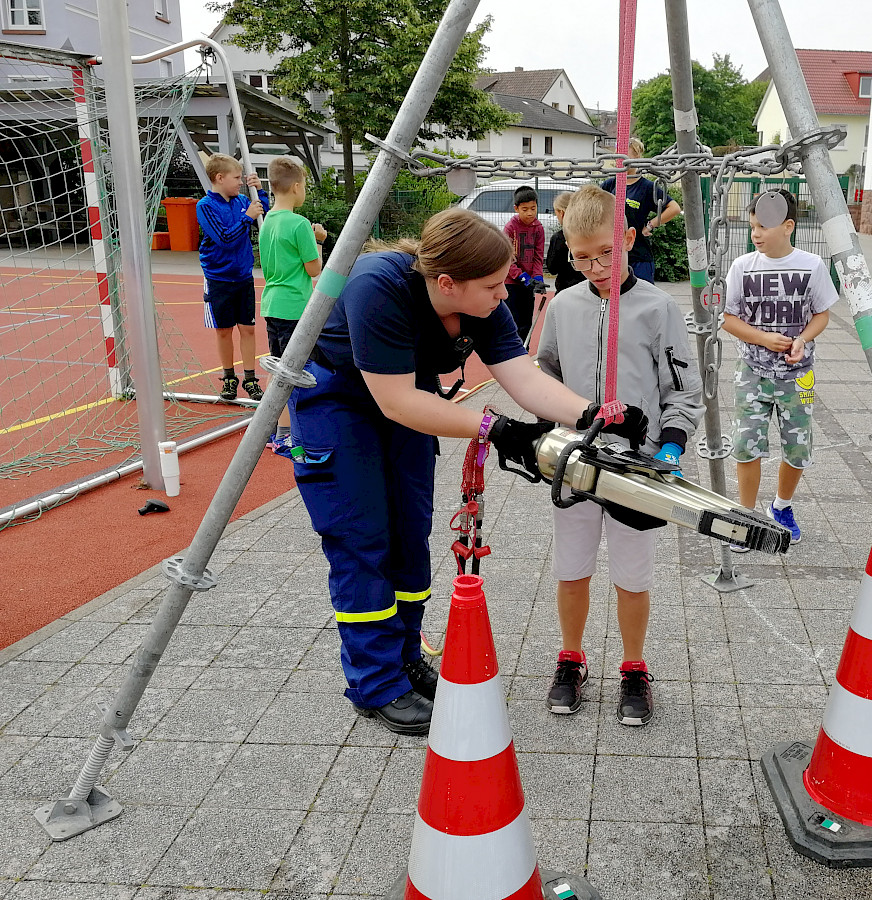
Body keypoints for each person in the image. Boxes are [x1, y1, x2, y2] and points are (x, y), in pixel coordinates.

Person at [288, 208, 648, 736]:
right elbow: (395, 401)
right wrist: (495, 429)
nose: (505, 296)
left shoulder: (480, 297)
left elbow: (521, 376)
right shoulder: (376, 286)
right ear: (449, 284)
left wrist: (590, 413)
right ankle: (375, 683)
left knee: (411, 535)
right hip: (342, 405)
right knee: (362, 540)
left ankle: (406, 657)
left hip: (409, 398)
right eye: (494, 287)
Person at [536, 183, 703, 726]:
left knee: (633, 573)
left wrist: (672, 444)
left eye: (607, 251)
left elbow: (682, 387)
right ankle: (571, 657)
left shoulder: (658, 308)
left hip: (639, 467)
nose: (596, 265)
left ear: (629, 236)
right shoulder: (563, 306)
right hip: (580, 464)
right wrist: (549, 435)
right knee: (571, 566)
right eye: (581, 256)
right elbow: (546, 377)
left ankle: (634, 665)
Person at [721, 189, 838, 547]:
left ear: (788, 226)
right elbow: (726, 318)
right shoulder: (742, 266)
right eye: (753, 225)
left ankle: (781, 506)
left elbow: (822, 314)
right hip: (752, 372)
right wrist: (761, 338)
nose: (755, 233)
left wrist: (802, 338)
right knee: (746, 445)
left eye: (763, 226)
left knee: (798, 448)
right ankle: (746, 515)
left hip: (798, 374)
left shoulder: (813, 265)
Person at [258, 155, 326, 452]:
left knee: (280, 369)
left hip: (272, 303)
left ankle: (278, 428)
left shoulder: (267, 221)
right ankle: (286, 432)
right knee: (294, 373)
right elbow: (315, 269)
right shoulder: (299, 224)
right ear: (297, 186)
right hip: (295, 306)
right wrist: (320, 240)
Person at [197, 153, 269, 401]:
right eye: (236, 177)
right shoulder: (205, 206)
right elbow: (224, 239)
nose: (240, 182)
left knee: (248, 328)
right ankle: (229, 377)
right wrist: (246, 217)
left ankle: (250, 378)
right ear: (219, 178)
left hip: (243, 277)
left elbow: (264, 216)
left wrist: (261, 194)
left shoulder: (241, 200)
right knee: (224, 330)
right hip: (219, 278)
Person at [599, 137, 681, 283]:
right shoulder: (610, 185)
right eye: (618, 153)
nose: (620, 158)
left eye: (625, 153)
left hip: (639, 256)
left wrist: (651, 225)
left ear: (636, 156)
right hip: (613, 254)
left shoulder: (646, 187)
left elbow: (673, 208)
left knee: (641, 299)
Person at [503, 185, 545, 343]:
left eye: (533, 208)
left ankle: (524, 349)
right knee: (513, 320)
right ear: (516, 208)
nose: (530, 213)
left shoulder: (538, 228)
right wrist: (523, 277)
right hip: (512, 282)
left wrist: (538, 279)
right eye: (525, 209)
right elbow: (506, 260)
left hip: (528, 284)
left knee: (526, 322)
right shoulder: (510, 228)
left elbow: (538, 256)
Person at [543, 191, 586, 293]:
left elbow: (552, 268)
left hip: (564, 289)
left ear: (561, 213)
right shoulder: (587, 234)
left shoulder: (558, 238)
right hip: (586, 287)